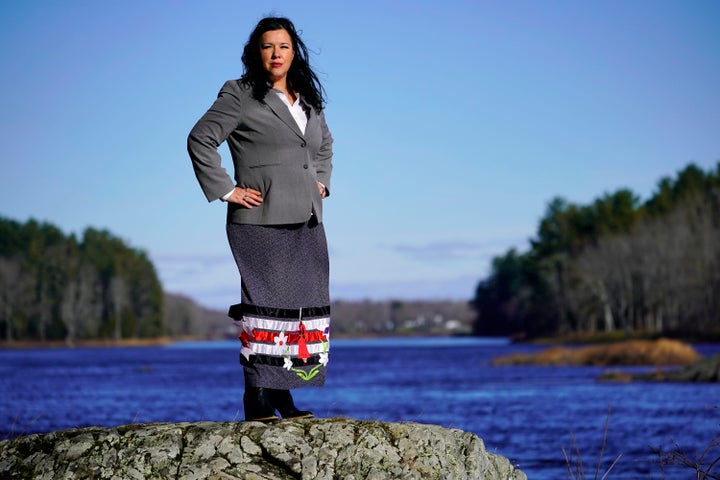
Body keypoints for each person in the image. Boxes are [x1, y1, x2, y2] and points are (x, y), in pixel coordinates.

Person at [187, 17, 333, 422]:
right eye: (268, 46)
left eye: (283, 46)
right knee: (265, 311)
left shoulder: (307, 99)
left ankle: (284, 397)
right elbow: (199, 138)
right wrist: (225, 189)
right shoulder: (240, 95)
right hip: (258, 220)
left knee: (300, 311)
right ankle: (257, 401)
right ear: (256, 51)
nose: (276, 54)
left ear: (294, 51)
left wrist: (321, 181)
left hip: (307, 220)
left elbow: (324, 145)